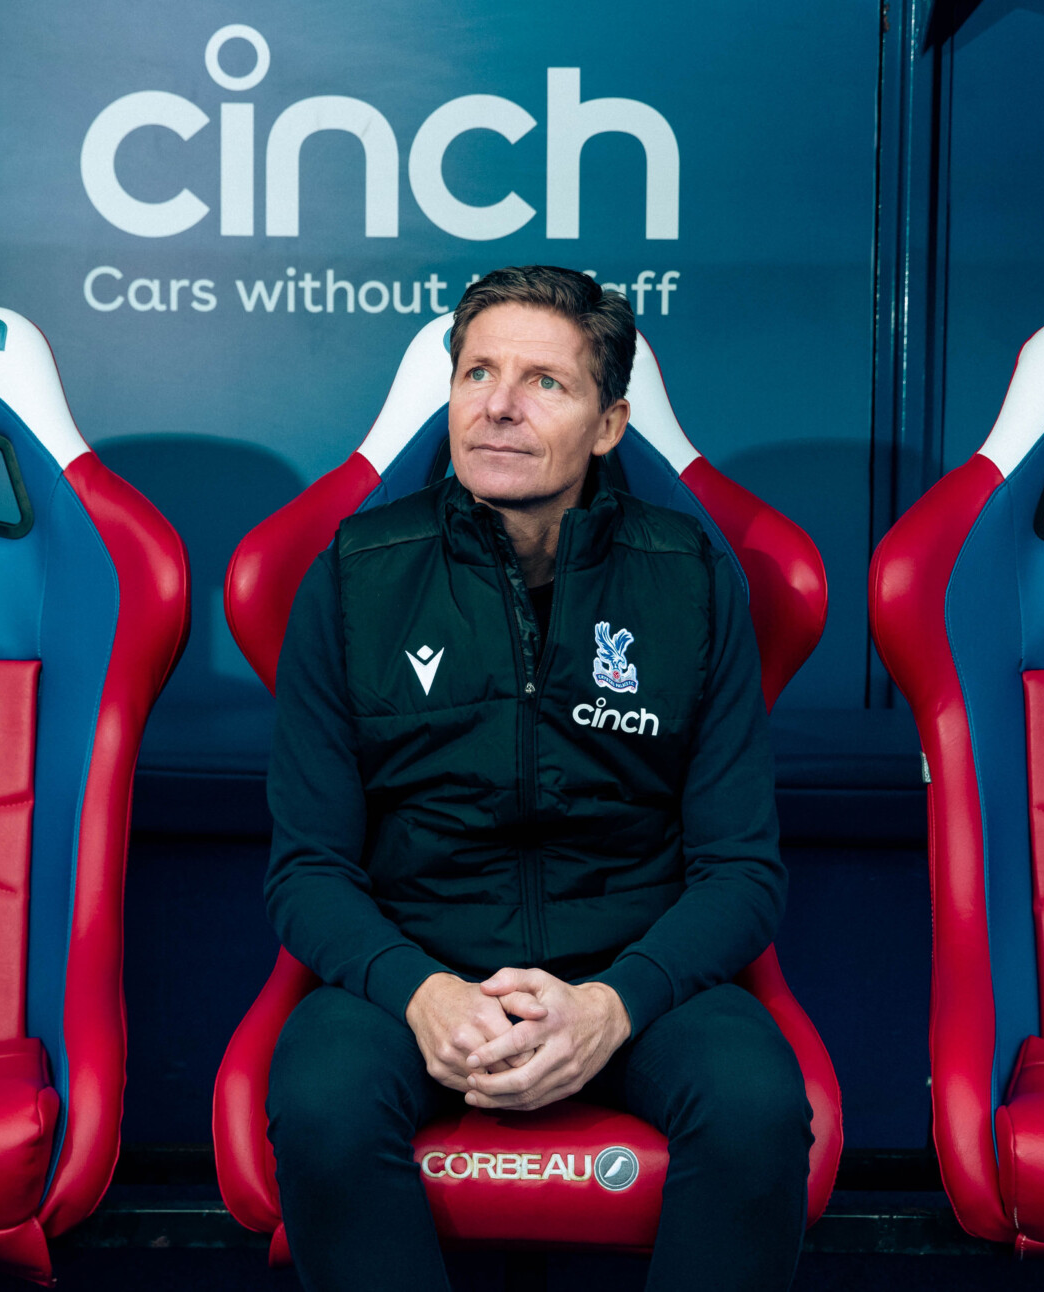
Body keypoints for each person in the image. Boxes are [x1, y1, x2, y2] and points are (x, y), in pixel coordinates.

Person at [263, 264, 811, 1292]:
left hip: (631, 971)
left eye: (543, 382)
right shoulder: (352, 575)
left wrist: (612, 1005)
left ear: (608, 425)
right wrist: (422, 992)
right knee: (323, 1103)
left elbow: (741, 870)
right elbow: (307, 869)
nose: (498, 406)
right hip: (415, 970)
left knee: (756, 1107)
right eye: (477, 373)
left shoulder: (693, 579)